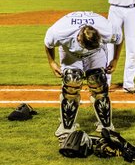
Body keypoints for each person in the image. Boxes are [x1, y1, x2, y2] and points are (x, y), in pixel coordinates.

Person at [44, 11, 123, 143]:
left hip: (96, 52)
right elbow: (48, 44)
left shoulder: (107, 29)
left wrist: (115, 60)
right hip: (70, 52)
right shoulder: (60, 31)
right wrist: (52, 62)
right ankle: (66, 128)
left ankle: (106, 126)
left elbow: (119, 40)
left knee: (99, 83)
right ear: (79, 38)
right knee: (71, 82)